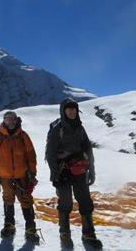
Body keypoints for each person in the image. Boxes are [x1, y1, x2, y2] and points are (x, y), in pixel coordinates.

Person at [45, 98, 102, 249]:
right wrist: (54, 173)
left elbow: (88, 149)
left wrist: (92, 169)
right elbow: (50, 153)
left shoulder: (80, 128)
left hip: (79, 169)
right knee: (65, 203)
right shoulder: (58, 128)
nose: (71, 112)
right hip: (62, 171)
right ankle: (64, 233)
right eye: (68, 109)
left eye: (74, 109)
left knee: (85, 201)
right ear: (63, 111)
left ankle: (88, 233)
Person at [0, 111, 39, 243]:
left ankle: (30, 229)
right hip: (5, 177)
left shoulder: (23, 136)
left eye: (13, 119)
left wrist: (32, 173)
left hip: (23, 176)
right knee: (8, 200)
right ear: (4, 121)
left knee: (26, 200)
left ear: (16, 120)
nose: (10, 121)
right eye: (8, 119)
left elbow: (31, 155)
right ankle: (9, 226)